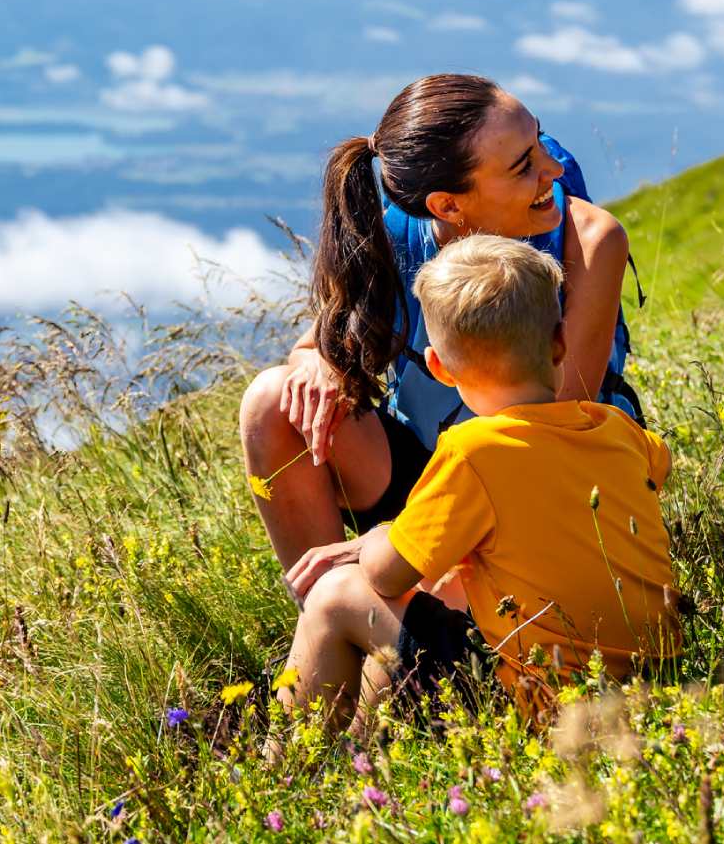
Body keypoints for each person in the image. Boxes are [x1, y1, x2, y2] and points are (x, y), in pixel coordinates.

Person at [239, 74, 639, 579]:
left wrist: (401, 538)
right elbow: (311, 347)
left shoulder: (591, 240)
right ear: (447, 205)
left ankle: (388, 600)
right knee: (273, 399)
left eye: (539, 141)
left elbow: (552, 428)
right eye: (524, 165)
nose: (554, 170)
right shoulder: (393, 238)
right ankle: (325, 603)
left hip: (550, 482)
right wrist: (320, 365)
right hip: (431, 470)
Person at [275, 234, 677, 728]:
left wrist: (379, 537)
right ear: (559, 342)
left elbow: (385, 577)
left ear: (439, 368)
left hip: (538, 701)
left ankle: (291, 759)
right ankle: (367, 747)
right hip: (655, 680)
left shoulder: (470, 452)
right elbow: (658, 468)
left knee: (336, 595)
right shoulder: (619, 429)